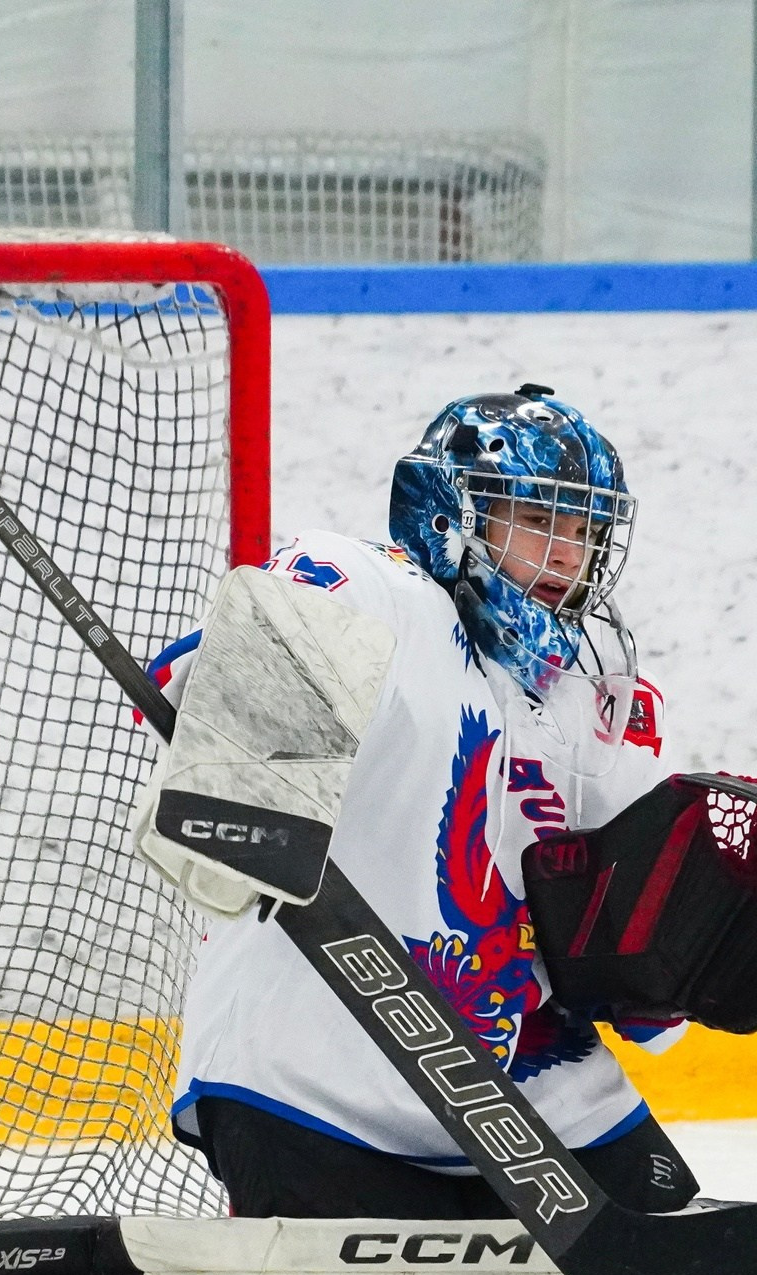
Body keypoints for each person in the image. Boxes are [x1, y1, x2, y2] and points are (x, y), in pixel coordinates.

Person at [149, 384, 704, 1219]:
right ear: (452, 513)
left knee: (669, 1272)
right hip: (314, 1078)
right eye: (540, 520)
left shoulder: (594, 691)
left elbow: (620, 926)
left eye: (586, 531)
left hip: (517, 1093)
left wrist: (678, 958)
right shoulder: (382, 593)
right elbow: (222, 671)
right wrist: (251, 745)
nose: (567, 557)